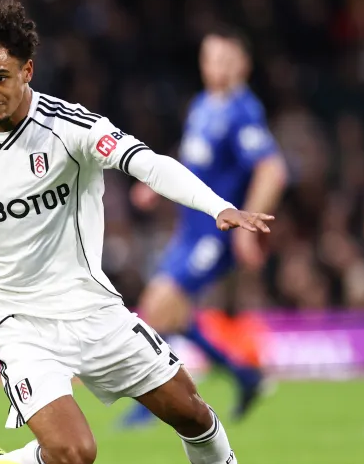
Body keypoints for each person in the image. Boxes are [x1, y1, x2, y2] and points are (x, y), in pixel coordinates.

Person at [0, 0, 303, 464]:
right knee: (72, 456)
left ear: (27, 70)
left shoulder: (70, 129)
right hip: (16, 320)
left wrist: (218, 207)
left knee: (193, 412)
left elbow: (148, 163)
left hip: (92, 307)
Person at [120, 27, 287, 428]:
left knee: (159, 304)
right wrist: (156, 185)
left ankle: (148, 407)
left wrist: (246, 225)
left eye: (225, 59)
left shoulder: (243, 111)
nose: (216, 66)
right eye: (210, 58)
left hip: (215, 233)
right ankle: (245, 377)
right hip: (190, 229)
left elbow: (272, 169)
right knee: (169, 314)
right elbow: (194, 158)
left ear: (242, 64)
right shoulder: (202, 105)